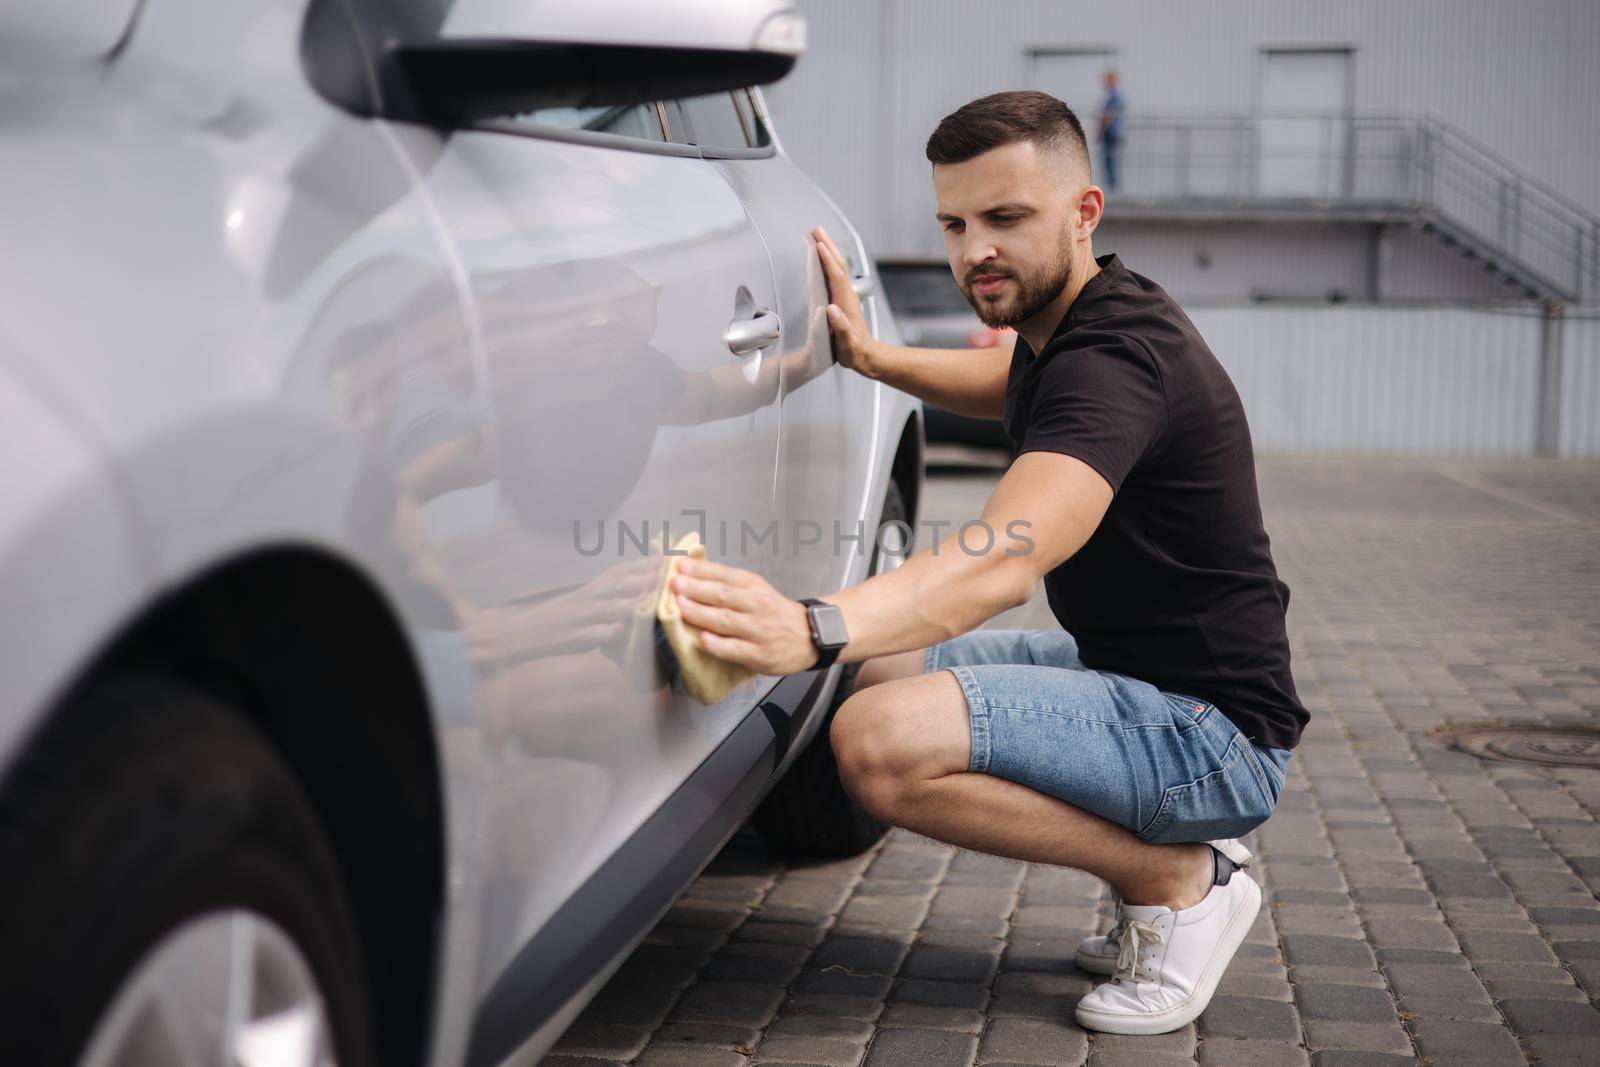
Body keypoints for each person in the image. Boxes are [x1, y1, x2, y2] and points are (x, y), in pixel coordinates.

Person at [663, 89, 1306, 1036]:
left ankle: (1179, 878)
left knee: (877, 740)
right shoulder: (1077, 326)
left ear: (1085, 212)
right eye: (955, 223)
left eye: (1006, 218)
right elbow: (1005, 379)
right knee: (878, 667)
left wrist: (808, 627)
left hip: (1213, 735)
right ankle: (1167, 868)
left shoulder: (1114, 360)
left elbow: (1002, 561)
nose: (974, 251)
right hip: (1138, 679)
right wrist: (874, 359)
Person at [1097, 70, 1125, 192]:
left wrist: (1101, 130)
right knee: (1109, 161)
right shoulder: (1113, 96)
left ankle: (1113, 190)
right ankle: (1111, 188)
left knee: (1110, 161)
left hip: (1111, 134)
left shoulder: (1115, 96)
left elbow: (1109, 115)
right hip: (1111, 134)